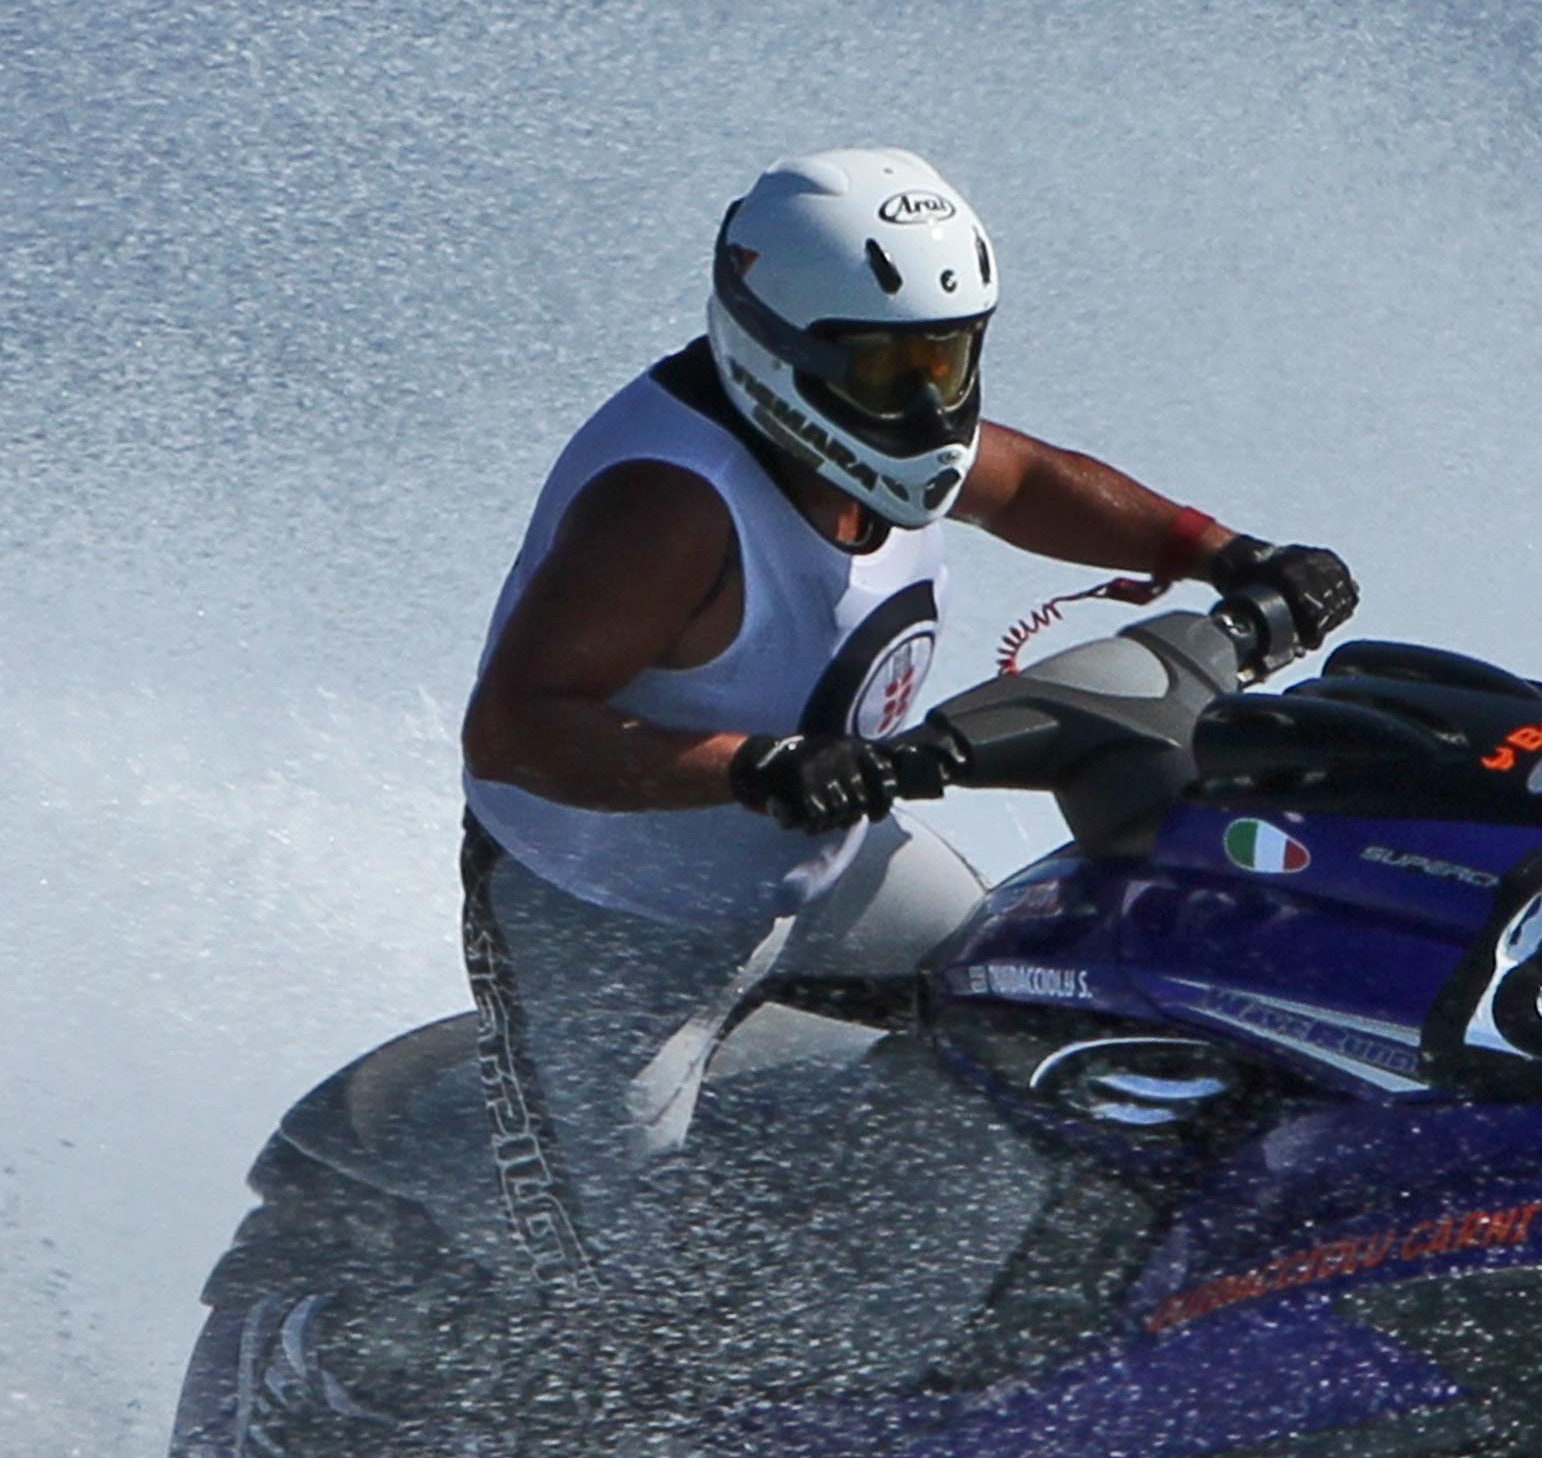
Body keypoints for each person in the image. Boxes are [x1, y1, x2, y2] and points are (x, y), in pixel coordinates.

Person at [457, 145, 1354, 1297]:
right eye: (885, 367)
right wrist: (757, 765)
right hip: (611, 919)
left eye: (948, 353)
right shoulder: (668, 507)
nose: (930, 402)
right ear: (773, 343)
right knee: (614, 1293)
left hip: (828, 864)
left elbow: (1026, 483)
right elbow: (518, 731)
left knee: (1048, 1003)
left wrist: (1222, 554)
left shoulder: (882, 424)